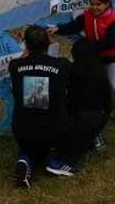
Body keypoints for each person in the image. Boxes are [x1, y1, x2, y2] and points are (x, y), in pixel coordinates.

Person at [48, 0, 115, 123]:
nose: (94, 7)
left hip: (114, 56)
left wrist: (90, 48)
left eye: (98, 4)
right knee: (96, 83)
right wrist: (58, 29)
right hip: (95, 56)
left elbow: (112, 40)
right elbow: (73, 26)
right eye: (92, 4)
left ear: (107, 4)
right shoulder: (86, 16)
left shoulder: (114, 19)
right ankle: (102, 107)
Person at [9, 25, 73, 187]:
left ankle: (25, 159)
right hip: (54, 130)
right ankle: (40, 158)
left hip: (21, 129)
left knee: (31, 146)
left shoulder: (15, 66)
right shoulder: (62, 65)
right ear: (49, 43)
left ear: (26, 45)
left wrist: (27, 49)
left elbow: (22, 60)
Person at [57, 39, 111, 168]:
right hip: (99, 115)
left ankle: (87, 137)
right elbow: (107, 98)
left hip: (77, 115)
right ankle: (95, 135)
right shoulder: (101, 70)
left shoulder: (72, 70)